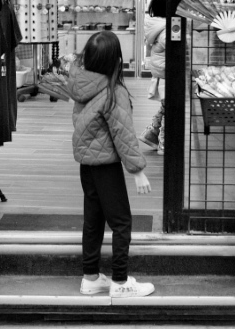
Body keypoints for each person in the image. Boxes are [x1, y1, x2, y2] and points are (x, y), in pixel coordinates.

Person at [66, 31, 154, 298]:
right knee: (121, 222)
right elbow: (123, 134)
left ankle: (91, 277)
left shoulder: (82, 83)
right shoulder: (113, 91)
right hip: (106, 165)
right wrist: (138, 170)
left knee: (93, 220)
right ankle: (120, 281)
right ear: (116, 60)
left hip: (87, 164)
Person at [139, 0, 167, 152]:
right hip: (167, 74)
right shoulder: (167, 29)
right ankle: (164, 143)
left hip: (162, 74)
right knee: (170, 110)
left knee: (166, 107)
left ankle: (151, 134)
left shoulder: (156, 25)